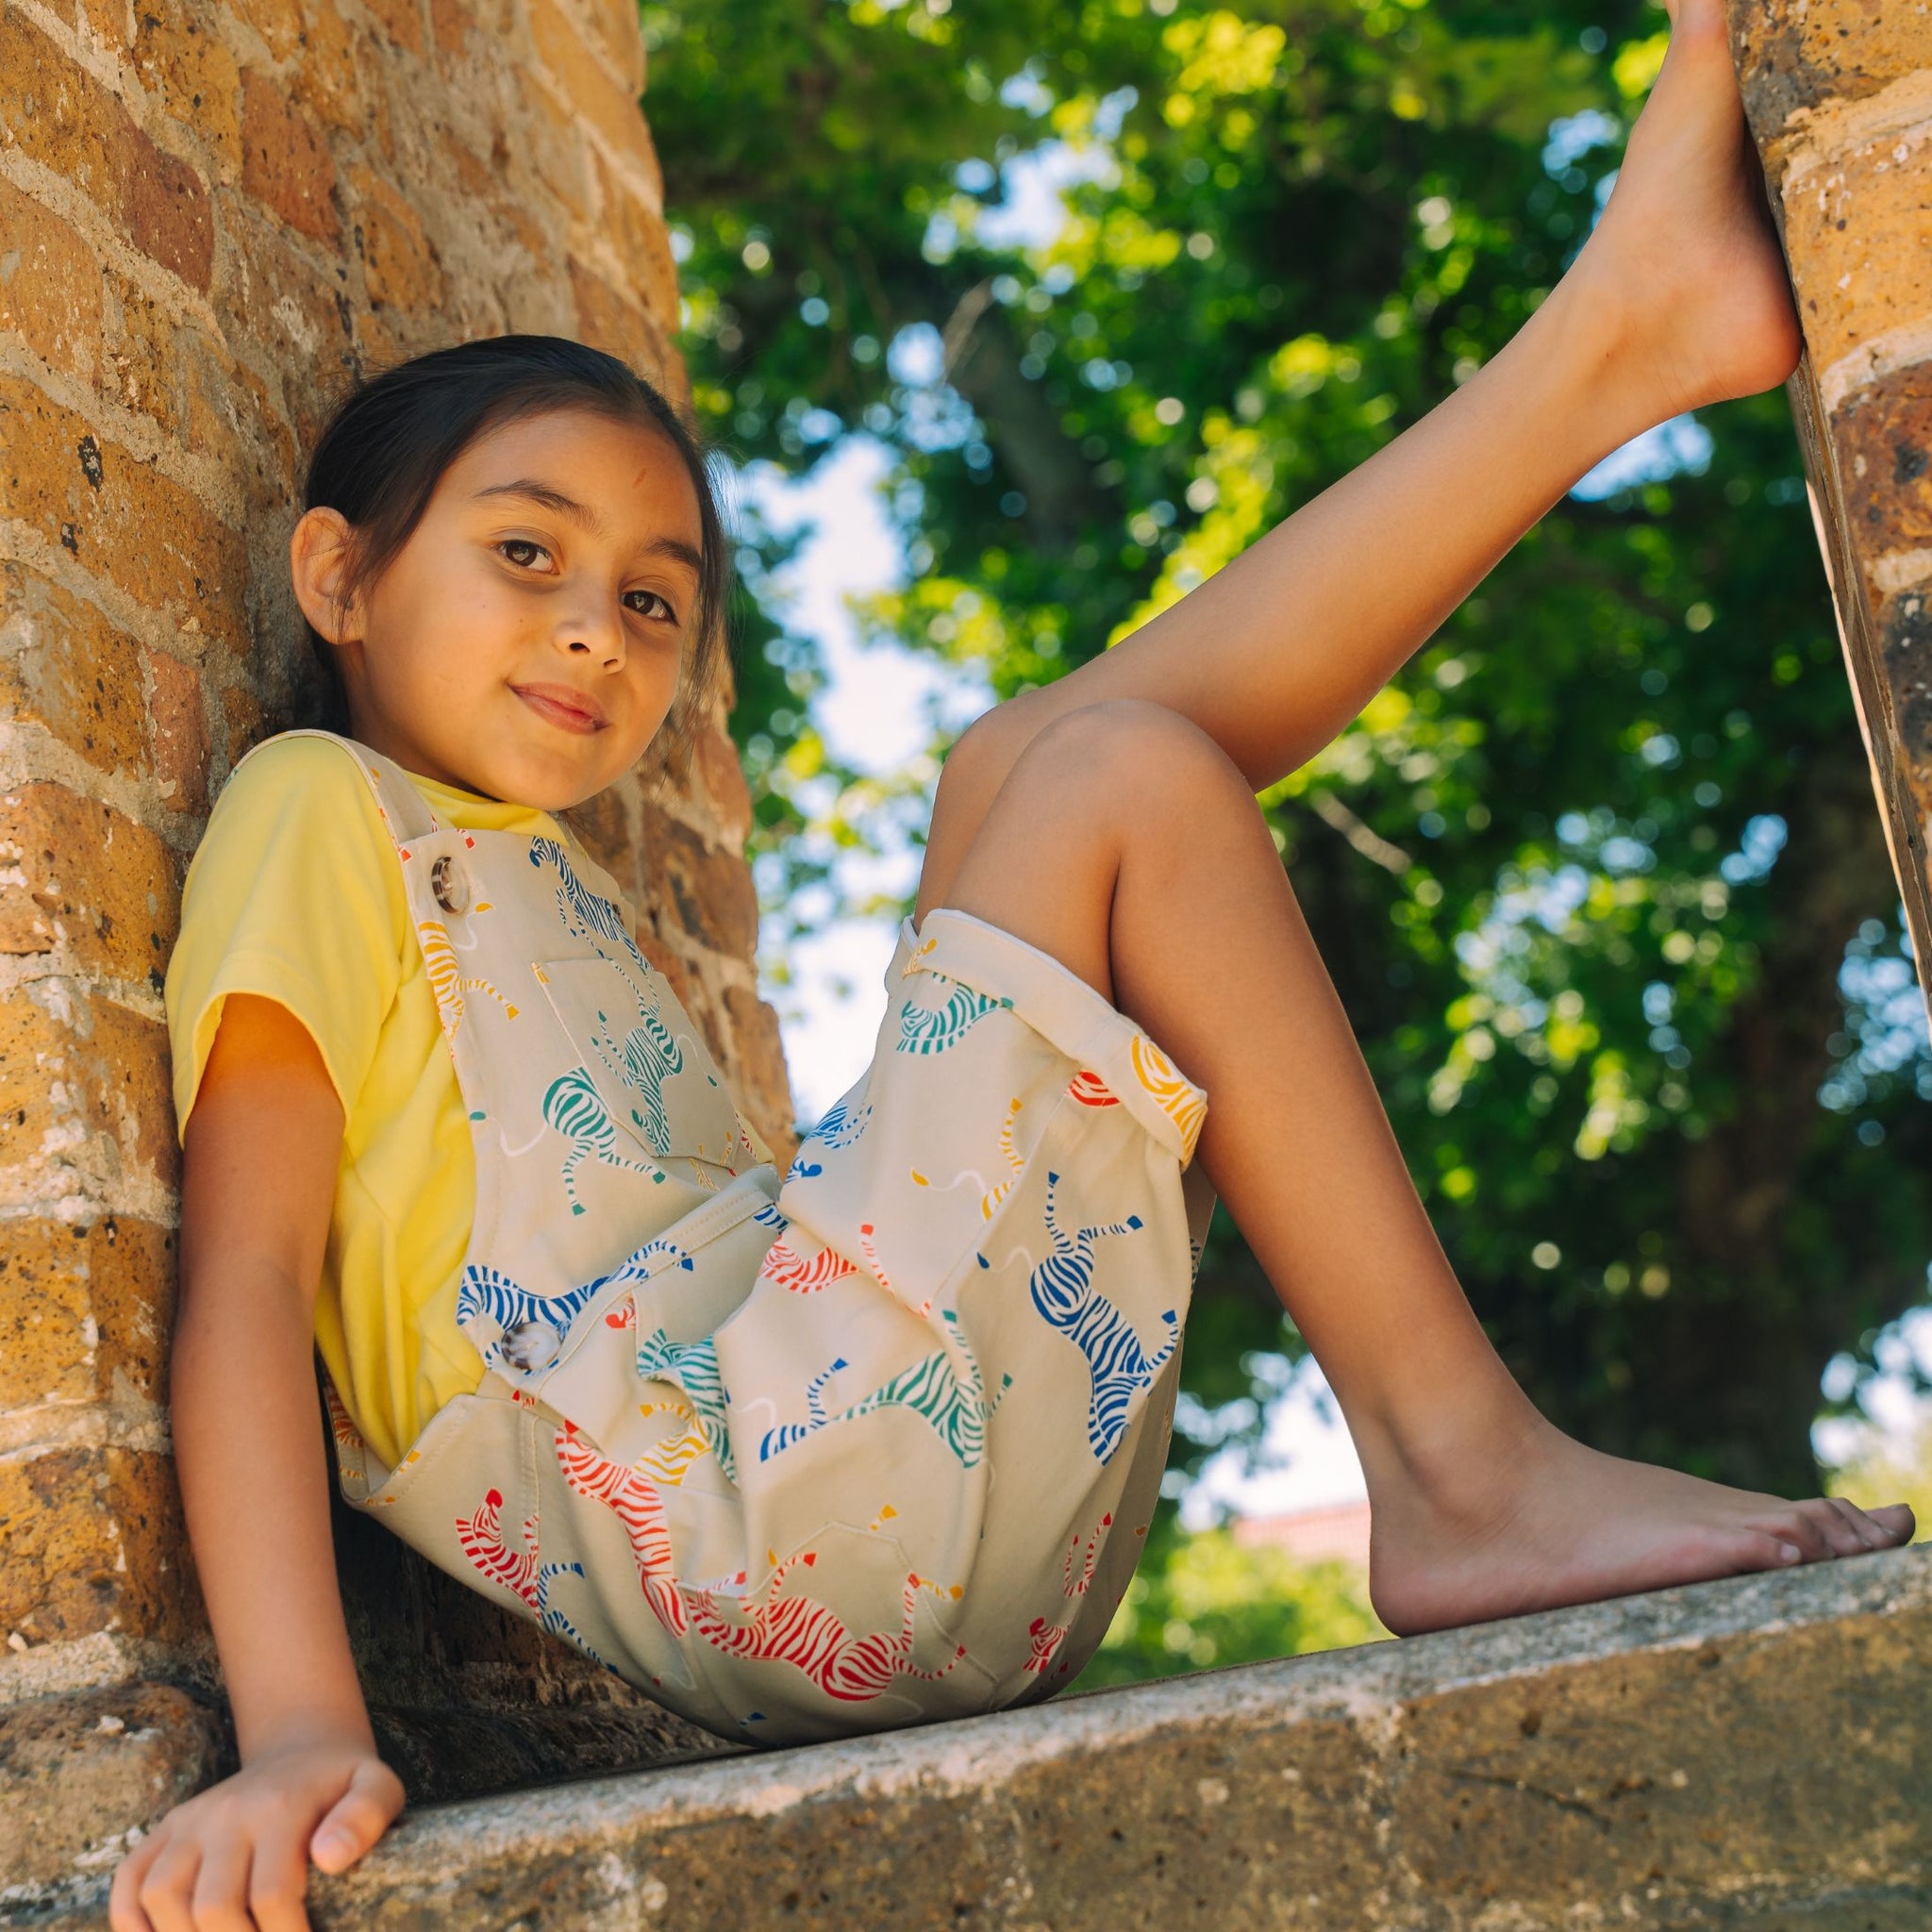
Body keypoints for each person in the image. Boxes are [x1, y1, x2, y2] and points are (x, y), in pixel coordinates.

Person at [110, 0, 1915, 1922]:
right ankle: (1459, 1462)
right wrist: (298, 1727)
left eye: (654, 600)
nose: (597, 633)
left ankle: (1612, 349)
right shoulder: (320, 802)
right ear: (340, 580)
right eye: (527, 556)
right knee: (1106, 771)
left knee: (1028, 765)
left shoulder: (542, 893)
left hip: (851, 1490)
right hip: (766, 1524)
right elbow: (245, 1281)